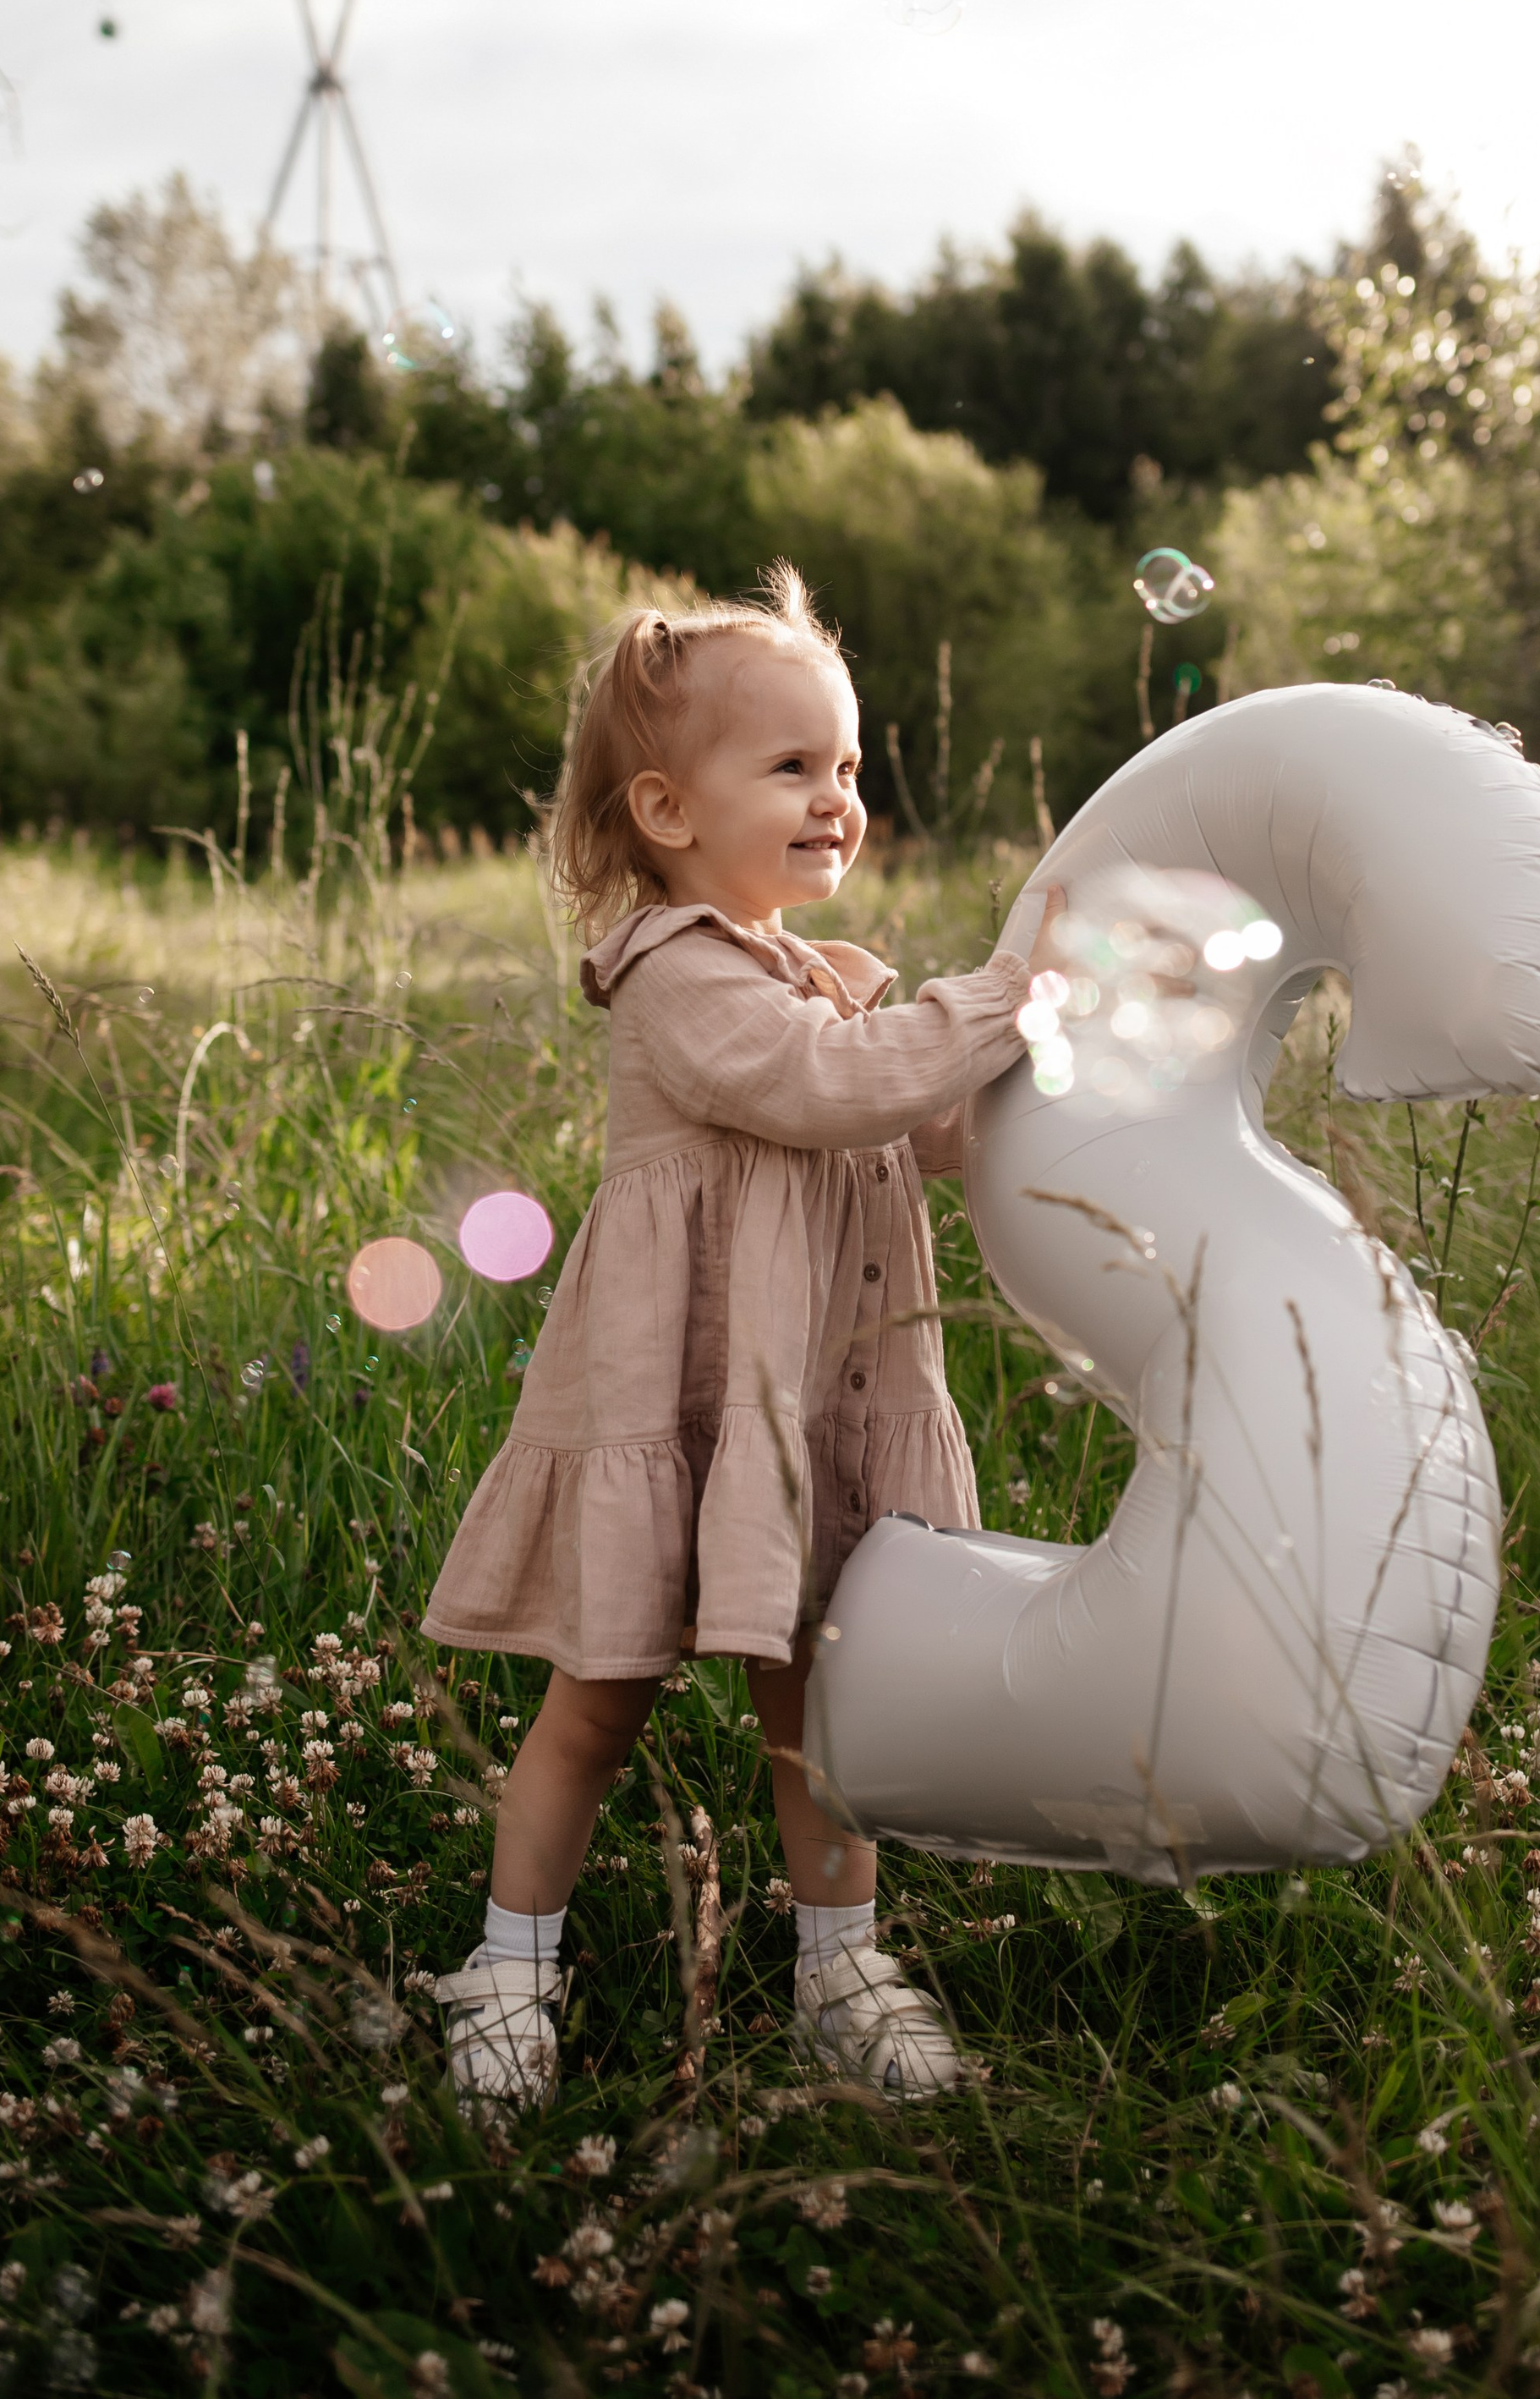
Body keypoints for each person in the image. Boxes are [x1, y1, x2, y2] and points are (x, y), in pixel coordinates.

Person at [421, 565, 1044, 2107]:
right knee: (597, 1701)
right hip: (685, 1402)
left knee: (820, 1703)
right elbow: (826, 1093)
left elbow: (918, 1124)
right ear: (668, 810)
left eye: (847, 765)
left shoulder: (828, 989)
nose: (838, 797)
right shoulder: (678, 979)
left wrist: (1057, 1067)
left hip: (811, 1412)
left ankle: (842, 1964)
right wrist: (997, 1001)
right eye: (791, 767)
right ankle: (507, 1965)